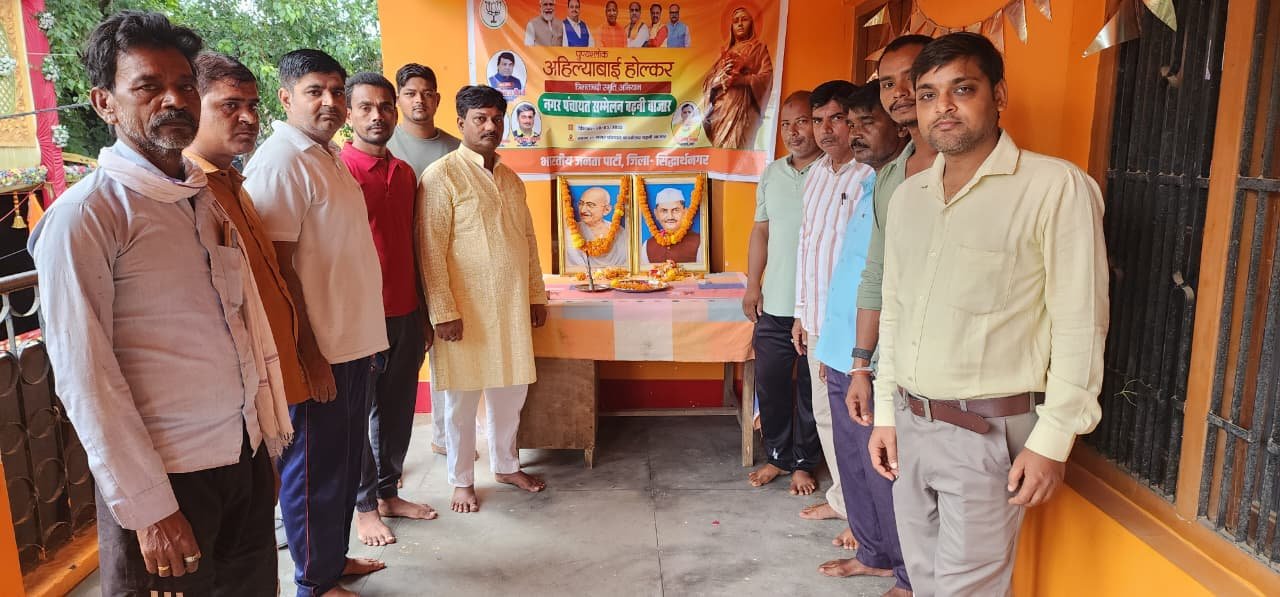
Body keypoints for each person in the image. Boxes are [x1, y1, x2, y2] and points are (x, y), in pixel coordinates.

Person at [29, 12, 277, 594]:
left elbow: (236, 326)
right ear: (104, 103)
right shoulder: (87, 216)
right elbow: (86, 376)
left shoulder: (200, 196)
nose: (174, 99)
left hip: (241, 456)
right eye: (148, 86)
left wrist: (260, 441)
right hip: (167, 481)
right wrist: (148, 509)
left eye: (185, 84)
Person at [868, 33, 1108, 595]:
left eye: (962, 89)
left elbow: (1081, 323)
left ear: (998, 95)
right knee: (925, 580)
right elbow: (896, 311)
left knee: (967, 589)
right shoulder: (909, 198)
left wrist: (1053, 439)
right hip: (910, 421)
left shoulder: (1054, 187)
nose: (943, 107)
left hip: (988, 431)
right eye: (928, 95)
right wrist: (885, 413)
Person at [244, 49, 390, 597]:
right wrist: (307, 355)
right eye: (314, 91)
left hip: (352, 344)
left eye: (335, 91)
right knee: (312, 473)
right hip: (319, 352)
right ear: (286, 97)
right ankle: (313, 581)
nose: (329, 102)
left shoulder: (326, 156)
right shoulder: (281, 160)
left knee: (342, 467)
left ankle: (330, 559)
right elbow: (276, 270)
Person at [418, 85, 550, 514]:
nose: (490, 126)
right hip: (465, 312)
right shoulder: (441, 175)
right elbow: (430, 249)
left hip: (510, 307)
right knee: (461, 400)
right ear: (461, 123)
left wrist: (535, 294)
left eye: (496, 119)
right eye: (480, 119)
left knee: (511, 391)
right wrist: (443, 311)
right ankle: (461, 480)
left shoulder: (510, 178)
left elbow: (527, 241)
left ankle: (507, 465)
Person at [810, 83, 911, 596]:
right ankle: (873, 554)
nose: (854, 133)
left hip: (870, 355)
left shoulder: (911, 182)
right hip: (841, 344)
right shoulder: (874, 179)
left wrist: (865, 362)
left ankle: (908, 573)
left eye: (866, 122)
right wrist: (833, 345)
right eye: (852, 123)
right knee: (852, 464)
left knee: (884, 469)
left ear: (901, 125)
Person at [339, 72, 439, 548]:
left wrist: (423, 311)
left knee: (397, 412)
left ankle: (388, 494)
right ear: (349, 114)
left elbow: (412, 245)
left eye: (384, 107)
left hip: (406, 312)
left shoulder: (404, 173)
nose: (377, 116)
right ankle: (363, 508)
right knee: (358, 414)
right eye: (365, 107)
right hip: (360, 317)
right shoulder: (340, 170)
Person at [791, 80, 875, 553]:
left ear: (854, 121)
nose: (825, 130)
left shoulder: (869, 176)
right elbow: (808, 250)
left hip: (854, 327)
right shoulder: (817, 175)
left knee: (859, 423)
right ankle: (845, 502)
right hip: (818, 323)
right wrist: (801, 315)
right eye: (817, 120)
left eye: (835, 119)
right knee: (828, 419)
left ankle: (866, 519)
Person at [844, 35, 937, 436]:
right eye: (887, 83)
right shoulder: (891, 176)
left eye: (911, 78)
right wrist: (861, 365)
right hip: (897, 372)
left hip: (965, 387)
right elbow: (876, 273)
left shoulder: (975, 171)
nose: (899, 92)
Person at [743, 90, 823, 496]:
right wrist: (752, 284)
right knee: (771, 384)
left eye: (802, 121)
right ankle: (777, 455)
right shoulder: (773, 173)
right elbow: (761, 230)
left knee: (811, 390)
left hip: (817, 308)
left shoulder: (835, 172)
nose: (793, 132)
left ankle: (805, 463)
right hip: (774, 303)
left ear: (820, 123)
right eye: (786, 125)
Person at [701, 6, 773, 149]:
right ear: (731, 26)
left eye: (744, 19)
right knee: (721, 149)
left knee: (739, 150)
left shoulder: (758, 48)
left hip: (743, 110)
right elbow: (707, 83)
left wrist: (743, 80)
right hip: (721, 111)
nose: (740, 24)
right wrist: (719, 79)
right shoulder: (724, 52)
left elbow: (767, 78)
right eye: (735, 21)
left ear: (751, 23)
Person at [389, 63, 461, 181]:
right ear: (397, 101)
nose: (419, 100)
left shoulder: (457, 149)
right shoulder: (383, 145)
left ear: (437, 100)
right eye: (410, 94)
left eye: (427, 94)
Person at [566, 186, 630, 267]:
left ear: (606, 210)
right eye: (581, 204)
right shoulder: (571, 232)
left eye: (590, 205)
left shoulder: (620, 232)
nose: (583, 210)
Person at [644, 188, 701, 263]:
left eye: (676, 210)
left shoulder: (699, 242)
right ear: (656, 214)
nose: (670, 216)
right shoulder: (647, 245)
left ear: (685, 212)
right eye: (664, 211)